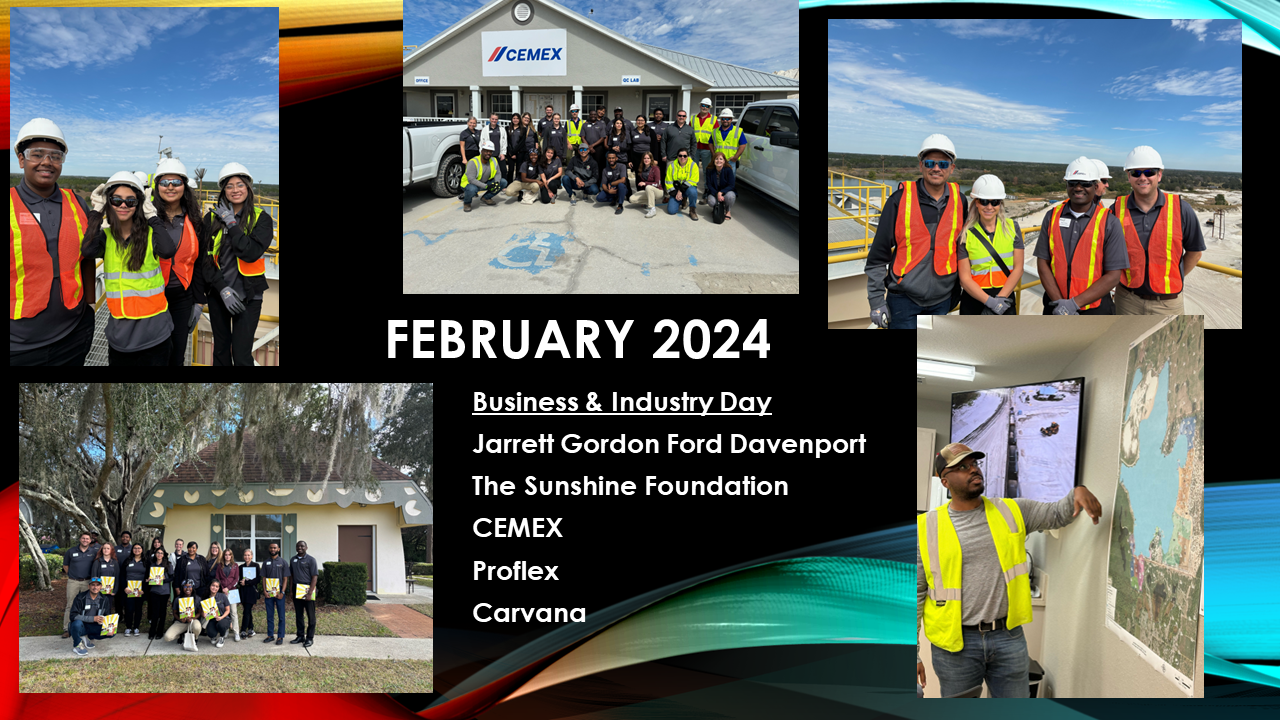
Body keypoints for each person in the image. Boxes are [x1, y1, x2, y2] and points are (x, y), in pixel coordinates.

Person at [918, 443, 1103, 697]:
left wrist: (1078, 491)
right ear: (945, 481)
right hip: (954, 646)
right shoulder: (925, 528)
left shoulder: (1012, 510)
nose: (973, 470)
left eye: (974, 464)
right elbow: (914, 594)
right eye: (962, 467)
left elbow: (1057, 514)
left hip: (1007, 638)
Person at [10, 117, 97, 366]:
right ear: (21, 159)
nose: (47, 162)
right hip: (19, 346)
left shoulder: (77, 202)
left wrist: (89, 305)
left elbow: (87, 257)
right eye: (36, 154)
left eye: (55, 156)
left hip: (74, 333)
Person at [864, 134, 969, 329]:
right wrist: (877, 301)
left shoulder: (960, 201)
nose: (936, 168)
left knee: (932, 356)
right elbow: (878, 257)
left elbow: (961, 249)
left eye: (943, 164)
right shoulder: (899, 200)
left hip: (943, 300)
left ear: (952, 168)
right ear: (921, 165)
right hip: (904, 301)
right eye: (930, 163)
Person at [80, 172, 173, 365]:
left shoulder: (150, 235)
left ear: (139, 204)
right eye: (116, 200)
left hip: (154, 332)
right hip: (120, 335)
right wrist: (96, 212)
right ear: (109, 202)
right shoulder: (106, 237)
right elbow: (88, 251)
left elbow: (168, 250)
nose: (123, 205)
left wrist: (152, 216)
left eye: (131, 201)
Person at [1111, 146, 1206, 315]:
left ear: (1159, 175)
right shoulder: (1116, 209)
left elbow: (1195, 252)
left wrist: (1172, 278)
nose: (1142, 178)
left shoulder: (1181, 209)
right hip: (1127, 300)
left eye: (1149, 172)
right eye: (1135, 173)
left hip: (1168, 304)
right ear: (1128, 176)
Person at [1034, 156, 1128, 315]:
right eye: (1072, 183)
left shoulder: (1109, 222)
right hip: (1055, 306)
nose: (1078, 188)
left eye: (1085, 184)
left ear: (1095, 186)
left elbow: (1113, 275)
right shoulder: (1051, 217)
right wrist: (1061, 305)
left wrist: (1073, 304)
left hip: (1094, 309)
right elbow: (1043, 263)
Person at [201, 163, 273, 365]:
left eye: (239, 185)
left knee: (241, 356)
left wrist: (232, 224)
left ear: (248, 187)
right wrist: (222, 289)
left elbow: (250, 253)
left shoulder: (261, 219)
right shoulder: (211, 219)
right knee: (221, 353)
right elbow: (205, 260)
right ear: (223, 190)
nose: (235, 190)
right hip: (219, 294)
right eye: (229, 186)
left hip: (249, 296)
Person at [150, 159, 206, 365]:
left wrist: (199, 301)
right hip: (152, 296)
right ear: (157, 187)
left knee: (177, 353)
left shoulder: (195, 220)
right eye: (164, 182)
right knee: (154, 352)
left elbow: (198, 263)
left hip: (183, 296)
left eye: (176, 182)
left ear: (185, 186)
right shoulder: (147, 217)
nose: (170, 187)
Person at [956, 174, 1023, 315]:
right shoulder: (965, 233)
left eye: (995, 202)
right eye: (984, 201)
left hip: (1005, 298)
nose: (989, 207)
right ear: (976, 203)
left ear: (1000, 204)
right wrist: (990, 302)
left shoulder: (1013, 228)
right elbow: (965, 278)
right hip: (974, 299)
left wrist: (1000, 300)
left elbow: (1018, 268)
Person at [61, 532, 97, 638]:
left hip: (88, 582)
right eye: (83, 538)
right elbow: (65, 565)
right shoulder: (71, 551)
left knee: (88, 605)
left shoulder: (94, 552)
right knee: (70, 605)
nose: (85, 540)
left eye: (87, 538)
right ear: (80, 539)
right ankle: (67, 629)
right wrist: (72, 575)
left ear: (90, 540)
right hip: (73, 582)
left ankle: (86, 628)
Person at [69, 577, 113, 656]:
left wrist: (104, 622)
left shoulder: (104, 599)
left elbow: (107, 615)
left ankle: (87, 638)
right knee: (76, 624)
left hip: (94, 625)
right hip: (82, 625)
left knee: (111, 632)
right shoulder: (80, 597)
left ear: (101, 587)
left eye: (97, 585)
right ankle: (77, 645)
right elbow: (73, 615)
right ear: (88, 586)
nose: (95, 587)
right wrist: (93, 618)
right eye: (93, 585)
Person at [461, 139, 506, 212]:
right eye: (486, 151)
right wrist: (486, 186)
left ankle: (486, 198)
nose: (488, 153)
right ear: (482, 151)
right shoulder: (473, 162)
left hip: (484, 182)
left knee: (503, 182)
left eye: (490, 151)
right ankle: (467, 203)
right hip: (469, 184)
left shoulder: (494, 160)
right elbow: (471, 179)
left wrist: (497, 182)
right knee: (472, 190)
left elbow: (498, 173)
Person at [260, 541, 290, 645]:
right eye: (271, 548)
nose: (273, 549)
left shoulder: (283, 562)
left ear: (278, 549)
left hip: (279, 593)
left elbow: (285, 579)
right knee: (270, 614)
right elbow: (264, 578)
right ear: (269, 549)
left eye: (275, 548)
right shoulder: (265, 562)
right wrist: (264, 591)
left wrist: (282, 592)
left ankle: (280, 636)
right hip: (269, 593)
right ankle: (270, 635)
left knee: (281, 615)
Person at [663, 109, 695, 207]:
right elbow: (663, 142)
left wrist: (691, 156)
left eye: (683, 116)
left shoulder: (690, 129)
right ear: (676, 116)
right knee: (670, 178)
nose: (681, 117)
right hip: (671, 157)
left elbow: (694, 143)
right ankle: (668, 195)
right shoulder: (669, 128)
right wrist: (663, 154)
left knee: (684, 179)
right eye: (679, 115)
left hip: (685, 159)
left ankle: (684, 197)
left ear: (686, 118)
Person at [291, 540, 319, 647]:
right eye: (298, 546)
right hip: (297, 590)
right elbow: (292, 575)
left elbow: (314, 577)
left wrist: (310, 593)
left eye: (302, 546)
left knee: (311, 616)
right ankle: (300, 636)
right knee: (299, 615)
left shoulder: (311, 560)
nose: (300, 548)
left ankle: (310, 638)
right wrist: (291, 590)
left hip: (308, 589)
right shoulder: (293, 560)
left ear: (306, 548)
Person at [691, 99, 717, 203]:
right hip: (694, 148)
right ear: (700, 106)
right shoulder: (693, 118)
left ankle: (706, 190)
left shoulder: (713, 119)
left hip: (707, 148)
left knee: (707, 170)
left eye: (707, 106)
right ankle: (693, 188)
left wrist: (714, 150)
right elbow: (689, 131)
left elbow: (716, 134)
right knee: (694, 169)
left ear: (709, 108)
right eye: (703, 105)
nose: (704, 107)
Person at [213, 548, 242, 641]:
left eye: (229, 555)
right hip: (222, 592)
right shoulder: (219, 566)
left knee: (233, 612)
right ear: (223, 556)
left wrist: (228, 588)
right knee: (224, 612)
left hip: (232, 592)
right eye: (226, 555)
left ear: (231, 556)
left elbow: (236, 579)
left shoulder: (235, 566)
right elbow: (217, 578)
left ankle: (236, 632)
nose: (227, 556)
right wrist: (222, 588)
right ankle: (225, 630)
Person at [162, 580, 202, 645]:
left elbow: (199, 613)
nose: (187, 589)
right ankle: (180, 635)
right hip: (181, 622)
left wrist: (193, 618)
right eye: (185, 587)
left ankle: (195, 637)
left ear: (193, 588)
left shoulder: (197, 599)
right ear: (182, 588)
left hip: (193, 621)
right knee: (167, 637)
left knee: (197, 627)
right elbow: (174, 613)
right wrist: (180, 619)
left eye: (190, 586)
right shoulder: (178, 599)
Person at [711, 109, 747, 179]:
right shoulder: (715, 131)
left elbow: (743, 145)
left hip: (730, 161)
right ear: (720, 119)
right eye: (723, 118)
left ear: (731, 119)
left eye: (728, 118)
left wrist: (736, 157)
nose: (725, 120)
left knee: (730, 180)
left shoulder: (738, 131)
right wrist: (713, 154)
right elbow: (710, 143)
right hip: (718, 160)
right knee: (718, 179)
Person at [122, 543, 149, 636]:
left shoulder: (146, 562)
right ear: (132, 549)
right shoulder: (127, 561)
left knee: (138, 609)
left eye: (139, 548)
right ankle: (128, 627)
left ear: (142, 550)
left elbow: (148, 577)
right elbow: (122, 575)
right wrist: (125, 587)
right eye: (135, 548)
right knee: (129, 608)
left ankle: (136, 627)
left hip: (140, 590)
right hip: (129, 589)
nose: (137, 550)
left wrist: (144, 590)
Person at [664, 149, 700, 220]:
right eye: (680, 156)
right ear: (677, 156)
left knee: (693, 191)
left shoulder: (693, 165)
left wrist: (680, 190)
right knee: (671, 211)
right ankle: (682, 199)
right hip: (676, 190)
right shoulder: (672, 166)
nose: (682, 157)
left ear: (687, 156)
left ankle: (692, 210)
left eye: (684, 156)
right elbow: (668, 181)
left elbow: (694, 180)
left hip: (688, 189)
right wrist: (675, 194)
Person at [146, 547, 173, 639]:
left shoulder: (168, 565)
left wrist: (165, 580)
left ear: (164, 555)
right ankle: (152, 631)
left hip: (164, 591)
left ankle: (160, 632)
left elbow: (172, 577)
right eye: (158, 553)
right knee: (154, 612)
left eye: (161, 553)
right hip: (154, 591)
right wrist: (149, 580)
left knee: (162, 612)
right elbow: (149, 578)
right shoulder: (152, 566)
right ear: (155, 554)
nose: (159, 554)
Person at [92, 542, 121, 626]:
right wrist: (96, 589)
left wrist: (115, 590)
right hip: (99, 590)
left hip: (110, 591)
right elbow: (94, 577)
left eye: (108, 548)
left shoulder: (114, 562)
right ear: (102, 549)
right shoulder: (97, 561)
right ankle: (97, 626)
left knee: (108, 608)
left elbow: (117, 577)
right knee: (98, 608)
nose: (106, 550)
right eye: (104, 548)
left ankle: (107, 627)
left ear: (111, 550)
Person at [704, 151, 737, 221]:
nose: (718, 161)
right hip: (713, 192)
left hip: (725, 192)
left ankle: (728, 211)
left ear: (724, 161)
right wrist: (717, 194)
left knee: (730, 196)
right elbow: (709, 185)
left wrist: (721, 193)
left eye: (721, 159)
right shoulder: (709, 170)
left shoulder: (728, 170)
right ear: (713, 160)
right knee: (711, 201)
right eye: (716, 159)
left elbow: (731, 185)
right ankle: (716, 208)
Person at [201, 578, 233, 648]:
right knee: (210, 633)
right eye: (213, 585)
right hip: (212, 619)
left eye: (216, 586)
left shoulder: (223, 596)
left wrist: (221, 617)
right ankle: (213, 636)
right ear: (210, 586)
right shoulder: (205, 597)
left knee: (221, 625)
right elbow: (203, 612)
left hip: (223, 618)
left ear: (219, 588)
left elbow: (228, 610)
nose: (214, 588)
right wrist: (204, 614)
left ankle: (222, 637)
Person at [238, 548, 261, 639]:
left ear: (251, 556)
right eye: (245, 555)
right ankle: (251, 628)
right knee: (248, 611)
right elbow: (239, 579)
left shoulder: (256, 566)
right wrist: (241, 582)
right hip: (243, 592)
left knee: (246, 611)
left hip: (251, 591)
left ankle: (243, 630)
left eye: (248, 555)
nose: (247, 557)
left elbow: (258, 579)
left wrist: (247, 582)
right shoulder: (241, 567)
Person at [649, 108, 671, 203]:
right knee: (651, 172)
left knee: (663, 173)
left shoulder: (667, 126)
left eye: (660, 114)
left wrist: (662, 138)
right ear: (654, 115)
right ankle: (652, 192)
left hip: (663, 152)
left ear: (663, 115)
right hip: (652, 151)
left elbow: (670, 138)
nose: (658, 115)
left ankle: (665, 194)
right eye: (656, 114)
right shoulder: (648, 125)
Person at [634, 151, 663, 218]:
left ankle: (652, 209)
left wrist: (645, 183)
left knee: (648, 187)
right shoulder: (642, 168)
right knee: (632, 199)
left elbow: (657, 184)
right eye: (645, 158)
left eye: (648, 158)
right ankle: (650, 200)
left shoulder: (655, 169)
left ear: (651, 159)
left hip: (658, 191)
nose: (646, 160)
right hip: (648, 191)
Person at [583, 109, 610, 178]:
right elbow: (582, 137)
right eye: (591, 114)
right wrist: (589, 147)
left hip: (598, 149)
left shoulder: (601, 124)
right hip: (587, 149)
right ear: (589, 115)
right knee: (587, 165)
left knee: (599, 166)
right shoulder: (585, 125)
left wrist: (592, 146)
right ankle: (588, 181)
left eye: (594, 114)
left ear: (596, 115)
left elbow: (602, 138)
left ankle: (598, 183)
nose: (593, 116)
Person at [506, 112, 524, 183]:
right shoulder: (507, 128)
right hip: (510, 152)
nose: (515, 120)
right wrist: (511, 152)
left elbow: (521, 142)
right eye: (514, 118)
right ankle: (509, 183)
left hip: (519, 152)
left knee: (518, 169)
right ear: (512, 119)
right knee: (510, 169)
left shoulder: (523, 129)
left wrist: (515, 153)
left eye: (517, 118)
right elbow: (507, 141)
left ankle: (517, 183)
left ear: (519, 119)